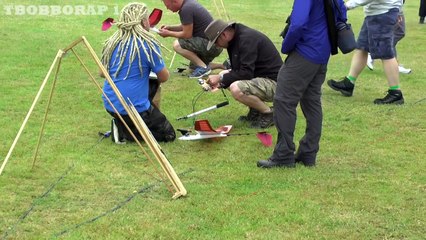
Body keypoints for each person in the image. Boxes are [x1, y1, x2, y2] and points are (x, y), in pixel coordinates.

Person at [257, 0, 347, 168]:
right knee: (312, 103)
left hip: (305, 52)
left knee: (283, 101)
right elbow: (342, 13)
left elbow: (298, 23)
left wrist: (286, 46)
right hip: (322, 53)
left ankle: (283, 155)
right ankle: (308, 154)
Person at [101, 3, 176, 143]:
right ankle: (124, 132)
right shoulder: (148, 44)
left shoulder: (112, 42)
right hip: (133, 107)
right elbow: (164, 77)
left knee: (150, 81)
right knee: (168, 134)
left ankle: (123, 123)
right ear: (143, 22)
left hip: (110, 103)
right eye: (147, 19)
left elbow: (101, 73)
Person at [204, 19, 283, 129]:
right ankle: (255, 110)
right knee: (225, 74)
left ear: (223, 35)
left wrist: (220, 78)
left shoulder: (246, 39)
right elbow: (239, 69)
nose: (217, 46)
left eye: (216, 42)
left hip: (277, 84)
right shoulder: (235, 38)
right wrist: (221, 79)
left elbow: (246, 74)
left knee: (236, 88)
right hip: (261, 78)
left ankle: (269, 113)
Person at [328, 0, 404, 105]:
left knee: (386, 54)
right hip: (376, 12)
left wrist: (347, 6)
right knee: (362, 48)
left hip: (382, 14)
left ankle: (395, 93)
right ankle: (348, 83)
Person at [158, 0, 223, 78]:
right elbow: (187, 26)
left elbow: (186, 35)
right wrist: (170, 28)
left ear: (175, 1)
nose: (167, 8)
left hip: (212, 45)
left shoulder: (186, 9)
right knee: (193, 68)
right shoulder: (189, 4)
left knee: (177, 45)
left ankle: (203, 68)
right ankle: (222, 66)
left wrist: (168, 33)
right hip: (215, 44)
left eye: (167, 6)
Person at [366, 0, 411, 74]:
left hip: (395, 5)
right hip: (389, 6)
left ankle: (393, 64)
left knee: (398, 32)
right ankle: (373, 53)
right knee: (397, 32)